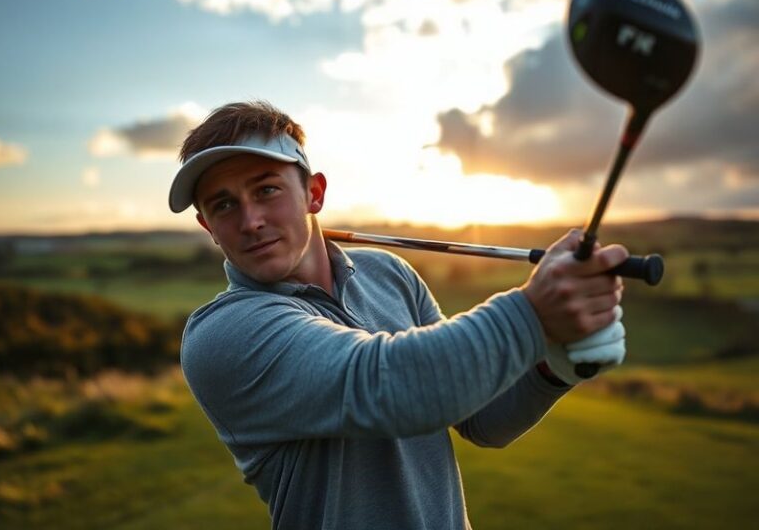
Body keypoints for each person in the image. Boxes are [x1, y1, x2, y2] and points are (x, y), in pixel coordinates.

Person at [168, 101, 628, 530]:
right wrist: (533, 313)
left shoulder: (388, 273)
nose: (250, 221)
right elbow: (386, 386)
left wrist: (554, 366)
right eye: (224, 204)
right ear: (208, 226)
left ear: (314, 193)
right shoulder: (222, 335)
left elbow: (484, 420)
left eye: (267, 189)